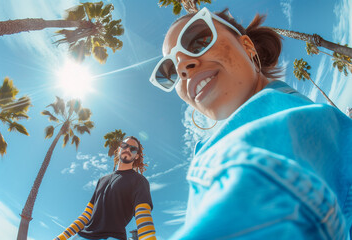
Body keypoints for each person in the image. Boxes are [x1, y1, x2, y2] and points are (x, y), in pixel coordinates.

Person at [149, 7, 352, 240]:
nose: (182, 67)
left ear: (247, 46)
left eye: (198, 41)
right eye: (171, 71)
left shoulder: (286, 121)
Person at [54, 136, 156, 240]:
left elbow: (143, 215)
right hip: (81, 236)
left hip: (113, 237)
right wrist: (60, 238)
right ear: (119, 149)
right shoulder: (102, 180)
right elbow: (86, 215)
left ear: (137, 156)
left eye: (133, 149)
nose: (128, 149)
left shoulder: (139, 181)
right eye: (124, 146)